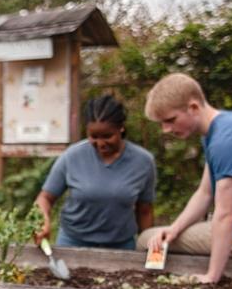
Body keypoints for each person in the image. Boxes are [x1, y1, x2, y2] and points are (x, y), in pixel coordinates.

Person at [137, 73, 232, 283]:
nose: (166, 129)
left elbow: (226, 215)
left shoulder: (225, 142)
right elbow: (205, 193)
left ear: (193, 107)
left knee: (146, 239)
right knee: (162, 235)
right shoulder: (222, 129)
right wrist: (173, 229)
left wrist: (212, 276)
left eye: (170, 120)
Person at [34, 96, 156, 250]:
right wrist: (42, 220)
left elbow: (145, 211)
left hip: (121, 246)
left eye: (107, 136)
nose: (100, 143)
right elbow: (45, 198)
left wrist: (150, 250)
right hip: (73, 242)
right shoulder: (72, 156)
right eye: (94, 136)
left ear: (121, 128)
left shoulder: (143, 161)